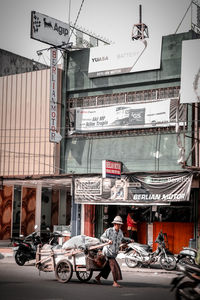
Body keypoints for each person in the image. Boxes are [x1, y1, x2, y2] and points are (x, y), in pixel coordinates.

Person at [94, 216, 132, 288]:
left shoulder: (120, 232)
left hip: (114, 253)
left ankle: (98, 277)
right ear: (115, 224)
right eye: (118, 224)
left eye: (120, 224)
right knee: (115, 266)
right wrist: (108, 240)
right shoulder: (109, 230)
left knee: (107, 267)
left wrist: (129, 240)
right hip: (108, 252)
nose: (119, 226)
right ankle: (115, 282)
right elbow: (102, 237)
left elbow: (122, 239)